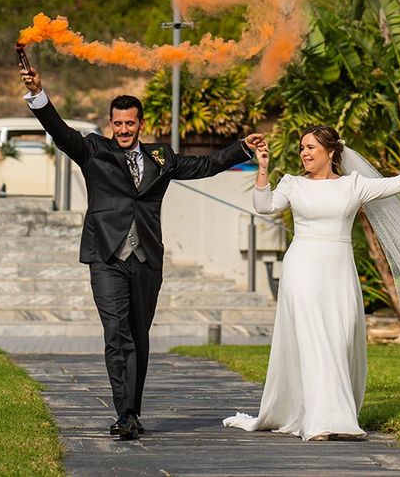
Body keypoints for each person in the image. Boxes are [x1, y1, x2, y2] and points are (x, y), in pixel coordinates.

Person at [21, 66, 265, 440]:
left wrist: (241, 149)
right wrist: (39, 95)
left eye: (129, 124)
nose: (123, 130)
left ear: (140, 123)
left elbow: (205, 165)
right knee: (116, 334)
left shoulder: (161, 157)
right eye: (117, 124)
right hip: (107, 257)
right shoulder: (93, 150)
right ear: (110, 123)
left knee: (138, 336)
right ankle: (124, 415)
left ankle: (133, 412)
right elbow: (59, 131)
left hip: (147, 259)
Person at [224, 125, 400, 440]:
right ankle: (321, 422)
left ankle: (335, 415)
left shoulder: (353, 185)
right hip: (302, 268)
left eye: (311, 148)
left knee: (339, 338)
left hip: (339, 270)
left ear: (330, 152)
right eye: (302, 148)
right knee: (314, 339)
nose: (304, 153)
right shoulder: (292, 184)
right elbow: (265, 206)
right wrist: (262, 169)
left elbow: (397, 183)